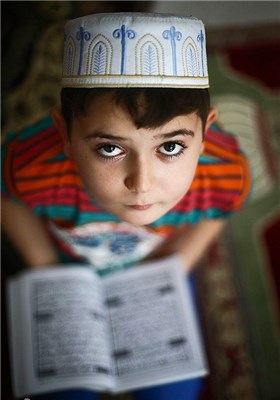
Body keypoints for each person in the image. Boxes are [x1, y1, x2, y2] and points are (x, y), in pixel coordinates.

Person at [1, 12, 251, 400]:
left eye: (170, 147)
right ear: (64, 135)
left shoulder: (224, 173)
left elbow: (222, 209)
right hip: (65, 269)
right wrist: (44, 264)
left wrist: (179, 260)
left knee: (176, 392)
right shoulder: (31, 166)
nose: (142, 183)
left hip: (158, 264)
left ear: (206, 135)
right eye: (110, 149)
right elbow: (5, 194)